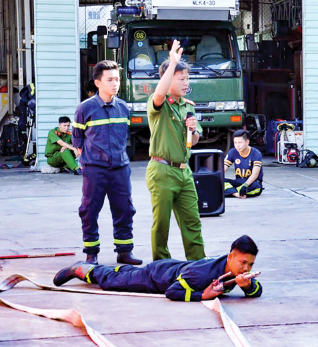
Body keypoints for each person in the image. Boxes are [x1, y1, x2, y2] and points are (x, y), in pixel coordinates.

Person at [72, 60, 140, 265]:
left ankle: (124, 252)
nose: (115, 83)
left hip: (120, 168)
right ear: (98, 82)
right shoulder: (85, 108)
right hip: (95, 170)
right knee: (89, 210)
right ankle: (91, 253)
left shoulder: (123, 108)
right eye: (110, 79)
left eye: (117, 79)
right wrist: (88, 161)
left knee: (125, 209)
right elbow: (78, 140)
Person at [54, 235, 263, 302]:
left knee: (125, 274)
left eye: (250, 264)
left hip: (170, 268)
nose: (246, 268)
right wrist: (203, 295)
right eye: (242, 263)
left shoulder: (236, 271)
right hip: (157, 277)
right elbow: (172, 292)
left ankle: (107, 269)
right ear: (230, 257)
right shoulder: (202, 274)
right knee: (111, 282)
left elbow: (257, 291)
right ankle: (82, 268)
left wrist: (247, 287)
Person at [146, 41, 206, 262]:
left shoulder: (188, 105)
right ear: (168, 79)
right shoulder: (159, 104)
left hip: (184, 172)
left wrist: (193, 129)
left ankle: (199, 264)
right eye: (181, 79)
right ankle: (161, 265)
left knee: (193, 222)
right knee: (161, 224)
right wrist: (172, 63)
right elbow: (159, 93)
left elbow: (196, 139)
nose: (185, 83)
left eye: (187, 78)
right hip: (162, 171)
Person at [223, 130, 263, 198]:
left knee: (256, 187)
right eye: (235, 143)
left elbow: (255, 174)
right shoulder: (233, 152)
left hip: (252, 183)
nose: (237, 145)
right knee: (218, 182)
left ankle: (231, 191)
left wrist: (245, 185)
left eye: (240, 143)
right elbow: (223, 168)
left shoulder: (256, 154)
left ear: (247, 142)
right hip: (238, 182)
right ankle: (237, 194)